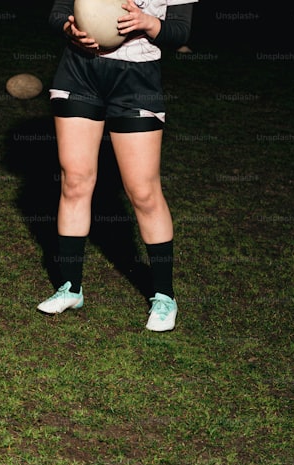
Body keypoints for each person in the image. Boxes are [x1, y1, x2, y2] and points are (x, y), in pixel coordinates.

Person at [37, 0, 196, 332]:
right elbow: (57, 14)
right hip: (79, 72)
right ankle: (71, 287)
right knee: (75, 181)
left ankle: (164, 296)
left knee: (143, 191)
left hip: (136, 81)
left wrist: (146, 22)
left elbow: (179, 30)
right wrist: (71, 31)